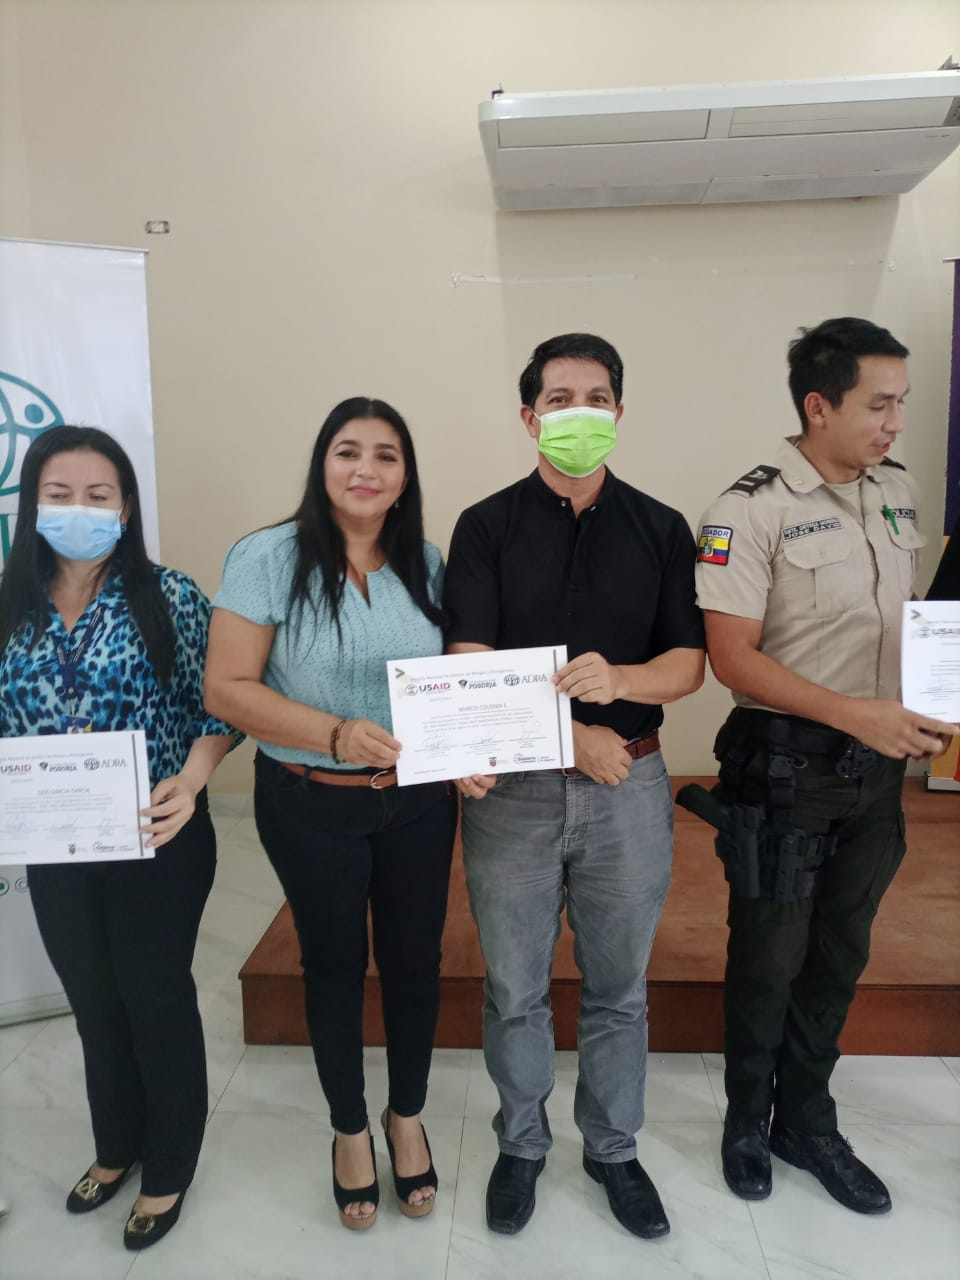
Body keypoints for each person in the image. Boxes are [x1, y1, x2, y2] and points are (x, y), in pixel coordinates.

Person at [443, 333, 705, 1240]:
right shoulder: (484, 526)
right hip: (511, 792)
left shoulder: (661, 527)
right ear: (530, 418)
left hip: (629, 785)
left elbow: (687, 663)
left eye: (596, 398)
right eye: (560, 400)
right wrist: (572, 735)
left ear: (620, 413)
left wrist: (621, 684)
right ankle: (521, 1144)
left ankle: (612, 1149)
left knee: (618, 987)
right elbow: (469, 662)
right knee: (514, 987)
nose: (578, 413)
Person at [693, 317, 957, 1214]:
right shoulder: (748, 509)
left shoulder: (899, 490)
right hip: (786, 774)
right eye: (879, 405)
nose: (895, 422)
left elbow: (907, 621)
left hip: (876, 776)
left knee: (840, 955)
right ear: (819, 405)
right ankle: (745, 1121)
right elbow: (733, 659)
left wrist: (926, 703)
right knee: (770, 958)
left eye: (901, 404)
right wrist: (857, 714)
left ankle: (805, 1121)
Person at [204, 396, 457, 1231]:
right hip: (309, 801)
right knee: (334, 966)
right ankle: (350, 1127)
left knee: (416, 964)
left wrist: (471, 749)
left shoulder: (426, 562)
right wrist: (336, 734)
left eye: (386, 455)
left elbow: (453, 685)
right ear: (323, 464)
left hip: (417, 804)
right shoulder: (267, 557)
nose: (365, 470)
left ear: (405, 477)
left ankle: (406, 1114)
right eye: (348, 451)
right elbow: (226, 689)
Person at [0, 425, 237, 1251]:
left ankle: (169, 1165)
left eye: (99, 495)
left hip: (157, 836)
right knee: (95, 1005)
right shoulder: (8, 604)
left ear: (126, 508)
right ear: (32, 505)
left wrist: (193, 780)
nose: (80, 509)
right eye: (59, 494)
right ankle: (117, 1145)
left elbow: (221, 704)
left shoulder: (168, 596)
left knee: (155, 1000)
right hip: (59, 846)